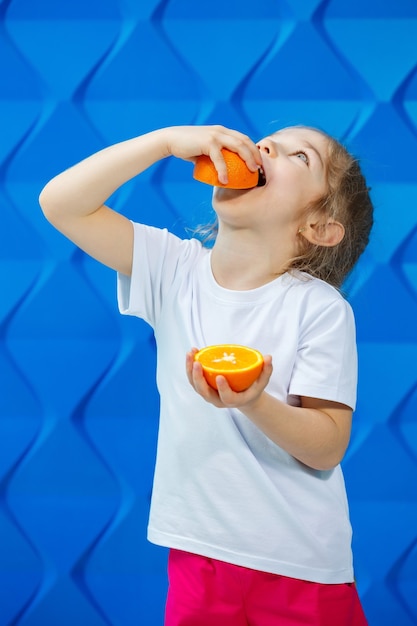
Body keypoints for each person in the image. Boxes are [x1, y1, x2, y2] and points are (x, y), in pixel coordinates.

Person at [40, 124, 373, 625]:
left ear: (320, 227)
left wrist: (254, 401)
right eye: (266, 143)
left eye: (297, 157)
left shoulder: (320, 309)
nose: (263, 149)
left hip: (299, 566)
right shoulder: (172, 270)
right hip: (199, 557)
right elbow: (61, 203)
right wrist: (164, 142)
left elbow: (327, 445)